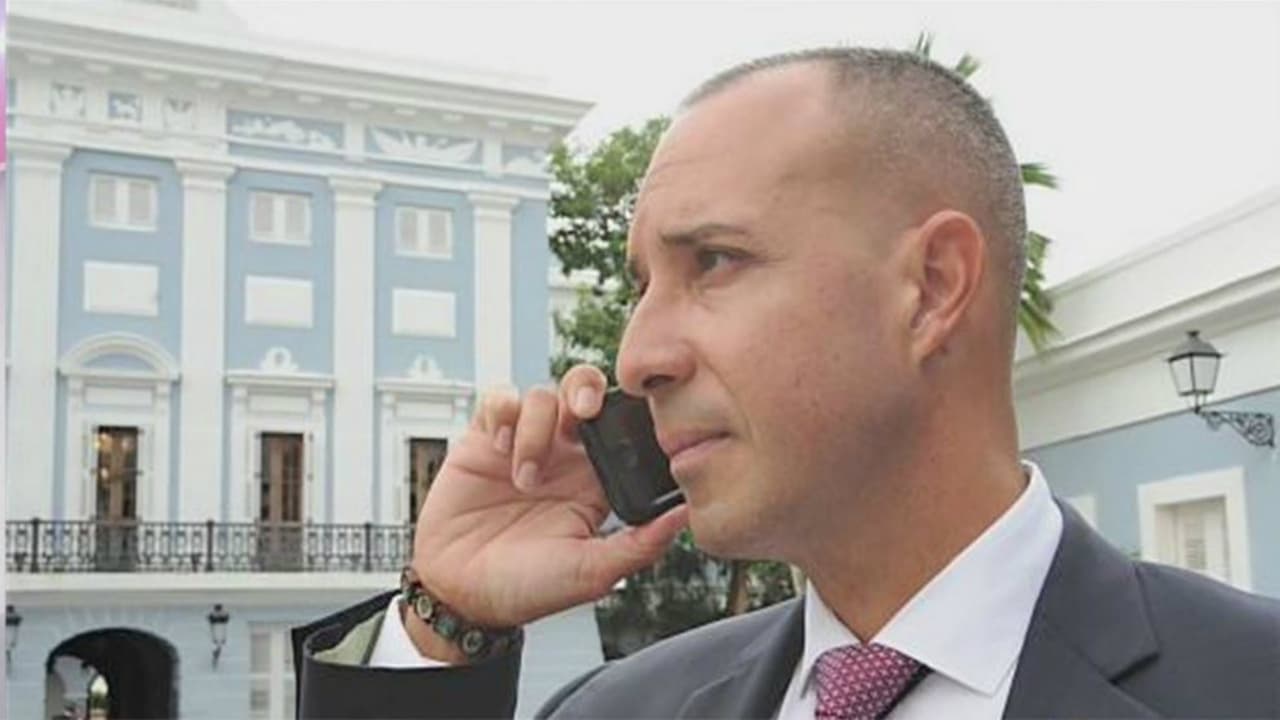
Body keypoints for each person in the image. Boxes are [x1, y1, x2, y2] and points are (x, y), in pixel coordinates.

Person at [293, 47, 1280, 719]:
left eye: (714, 262)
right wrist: (448, 620)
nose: (634, 358)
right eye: (642, 286)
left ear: (932, 288)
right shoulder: (619, 708)